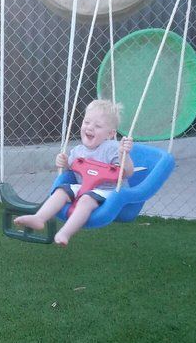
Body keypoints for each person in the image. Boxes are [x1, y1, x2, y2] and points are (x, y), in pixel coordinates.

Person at [13, 100, 134, 246]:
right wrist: (62, 163)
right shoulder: (77, 151)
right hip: (83, 187)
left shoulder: (113, 148)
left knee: (86, 200)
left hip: (108, 192)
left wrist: (124, 155)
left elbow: (127, 173)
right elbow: (69, 169)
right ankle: (39, 218)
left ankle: (65, 232)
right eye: (87, 122)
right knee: (61, 191)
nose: (90, 128)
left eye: (98, 126)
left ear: (110, 134)